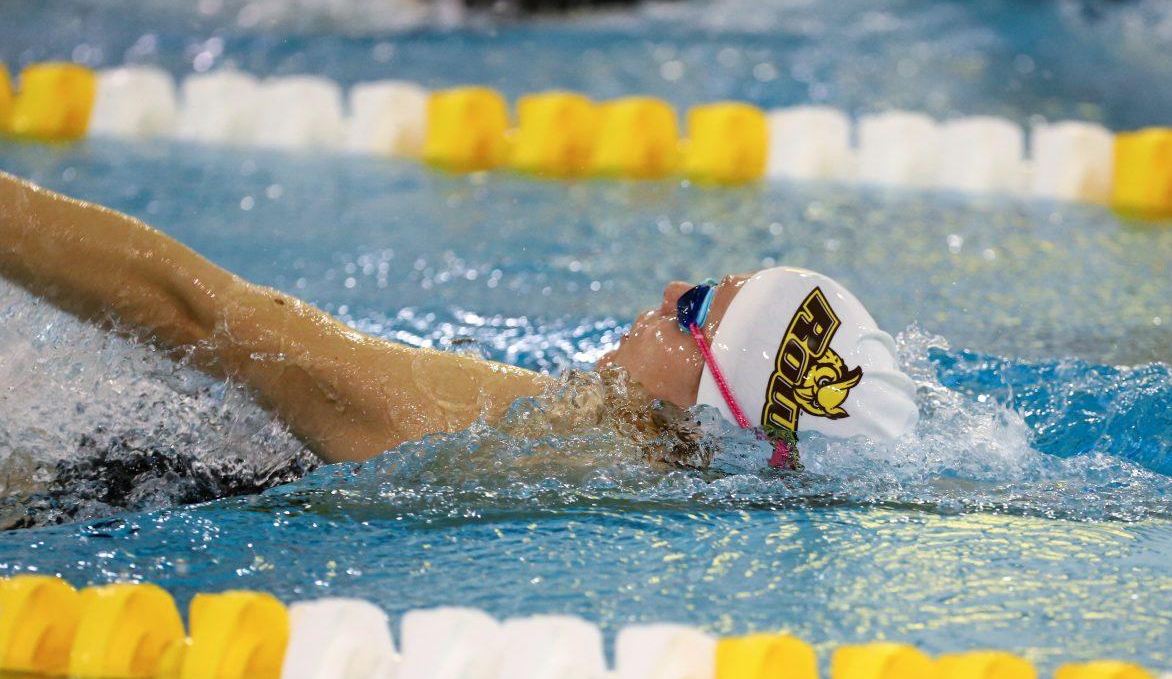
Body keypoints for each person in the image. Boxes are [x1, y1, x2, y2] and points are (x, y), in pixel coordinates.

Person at [0, 170, 918, 466]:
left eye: (694, 311)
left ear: (717, 400)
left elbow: (203, 313)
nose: (666, 292)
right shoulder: (602, 472)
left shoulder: (497, 422)